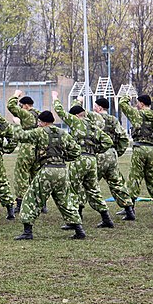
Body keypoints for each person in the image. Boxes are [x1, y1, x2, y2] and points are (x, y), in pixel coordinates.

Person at [13, 110, 85, 240]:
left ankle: (27, 231)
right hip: (62, 171)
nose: (39, 124)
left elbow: (21, 136)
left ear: (45, 122)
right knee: (65, 200)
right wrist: (64, 158)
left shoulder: (40, 132)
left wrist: (17, 124)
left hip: (47, 170)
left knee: (32, 198)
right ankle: (79, 229)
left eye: (40, 122)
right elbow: (77, 150)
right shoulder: (63, 133)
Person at [53, 92, 115, 228]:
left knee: (73, 188)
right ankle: (106, 218)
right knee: (93, 189)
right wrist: (95, 150)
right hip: (92, 160)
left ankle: (75, 219)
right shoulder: (92, 126)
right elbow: (108, 141)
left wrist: (55, 98)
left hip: (79, 159)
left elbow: (59, 111)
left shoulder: (76, 122)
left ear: (75, 116)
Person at [119, 94, 153, 215]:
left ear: (142, 104)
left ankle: (130, 207)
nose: (136, 105)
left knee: (135, 177)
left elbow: (122, 104)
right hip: (151, 150)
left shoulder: (138, 114)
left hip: (140, 148)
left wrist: (127, 96)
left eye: (137, 103)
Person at [92, 98, 136, 221]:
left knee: (89, 183)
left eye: (95, 106)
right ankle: (129, 210)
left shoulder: (94, 119)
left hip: (99, 154)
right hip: (111, 154)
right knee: (117, 183)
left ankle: (77, 211)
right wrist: (117, 152)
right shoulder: (113, 120)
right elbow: (123, 137)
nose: (93, 108)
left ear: (100, 108)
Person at [7, 91, 42, 213]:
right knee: (36, 176)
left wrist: (16, 95)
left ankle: (21, 203)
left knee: (21, 175)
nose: (21, 107)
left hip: (27, 148)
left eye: (21, 105)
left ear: (26, 105)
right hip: (39, 149)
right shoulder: (39, 114)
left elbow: (10, 106)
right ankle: (40, 204)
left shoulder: (26, 115)